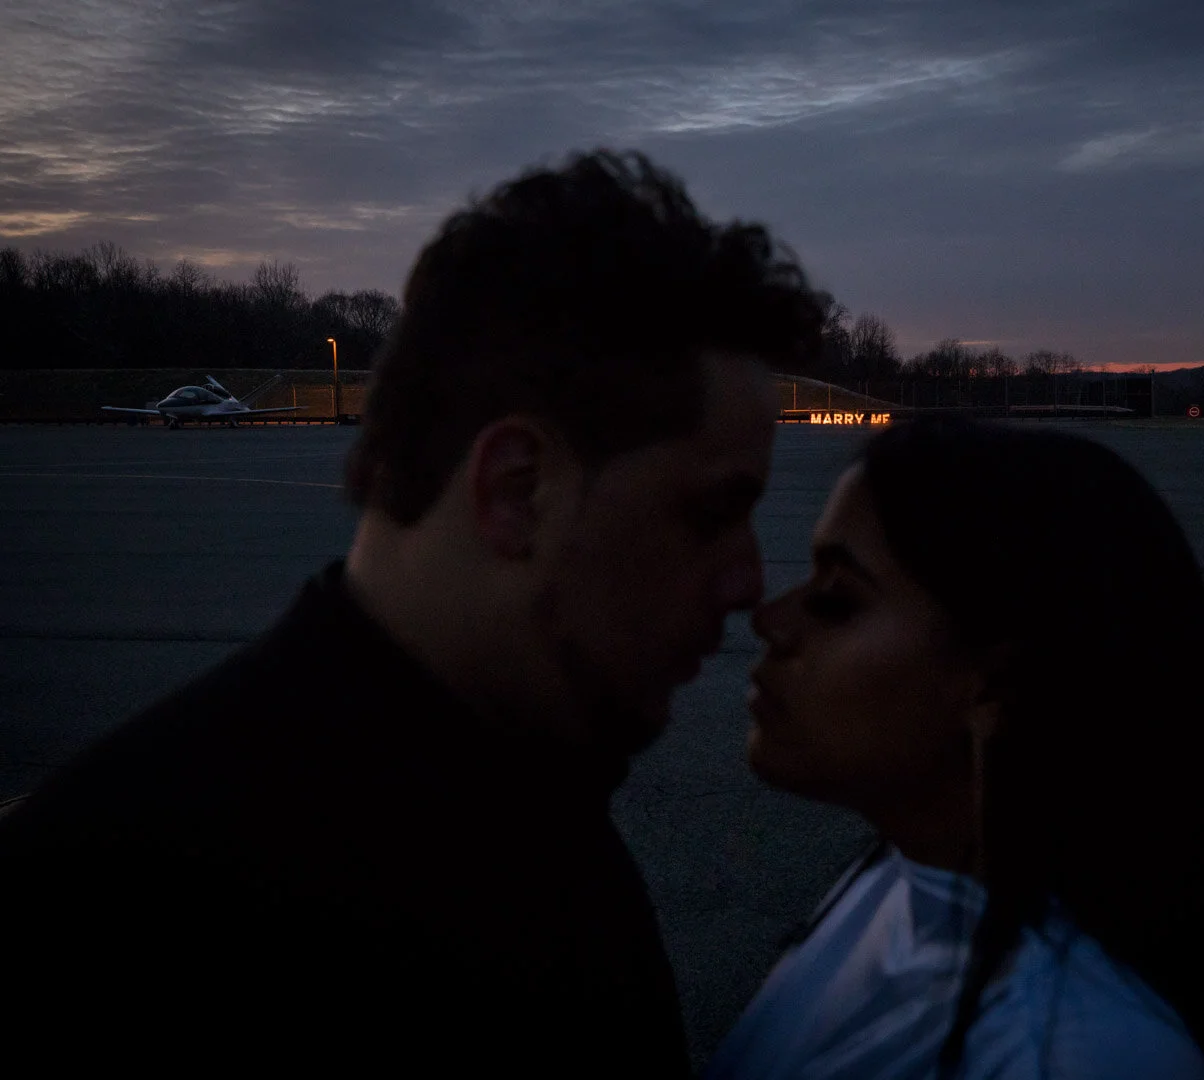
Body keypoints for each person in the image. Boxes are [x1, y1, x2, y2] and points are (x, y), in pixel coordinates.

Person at [0, 149, 826, 1071]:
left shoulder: (532, 818)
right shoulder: (105, 909)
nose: (752, 583)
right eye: (710, 512)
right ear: (516, 489)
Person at [707, 417, 1204, 1079]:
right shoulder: (903, 876)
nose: (769, 620)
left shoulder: (1071, 1055)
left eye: (837, 599)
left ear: (998, 685)